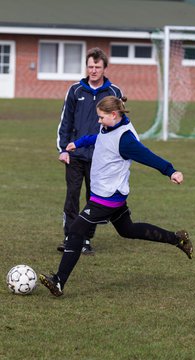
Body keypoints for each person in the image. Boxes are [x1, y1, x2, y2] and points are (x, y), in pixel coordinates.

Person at [40, 96, 193, 297]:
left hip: (106, 197)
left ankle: (59, 281)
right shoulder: (110, 127)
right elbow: (100, 138)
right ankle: (177, 239)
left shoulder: (126, 140)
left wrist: (170, 171)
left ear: (114, 114)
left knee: (76, 230)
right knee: (127, 229)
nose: (98, 121)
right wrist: (79, 143)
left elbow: (148, 156)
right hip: (110, 193)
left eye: (101, 117)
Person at [56, 47, 123, 254]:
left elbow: (119, 125)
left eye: (97, 67)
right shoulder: (75, 90)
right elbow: (65, 121)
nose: (93, 70)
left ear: (104, 68)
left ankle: (85, 238)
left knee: (94, 198)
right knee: (72, 196)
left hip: (101, 157)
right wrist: (63, 149)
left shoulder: (114, 92)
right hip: (74, 154)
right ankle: (70, 237)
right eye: (90, 66)